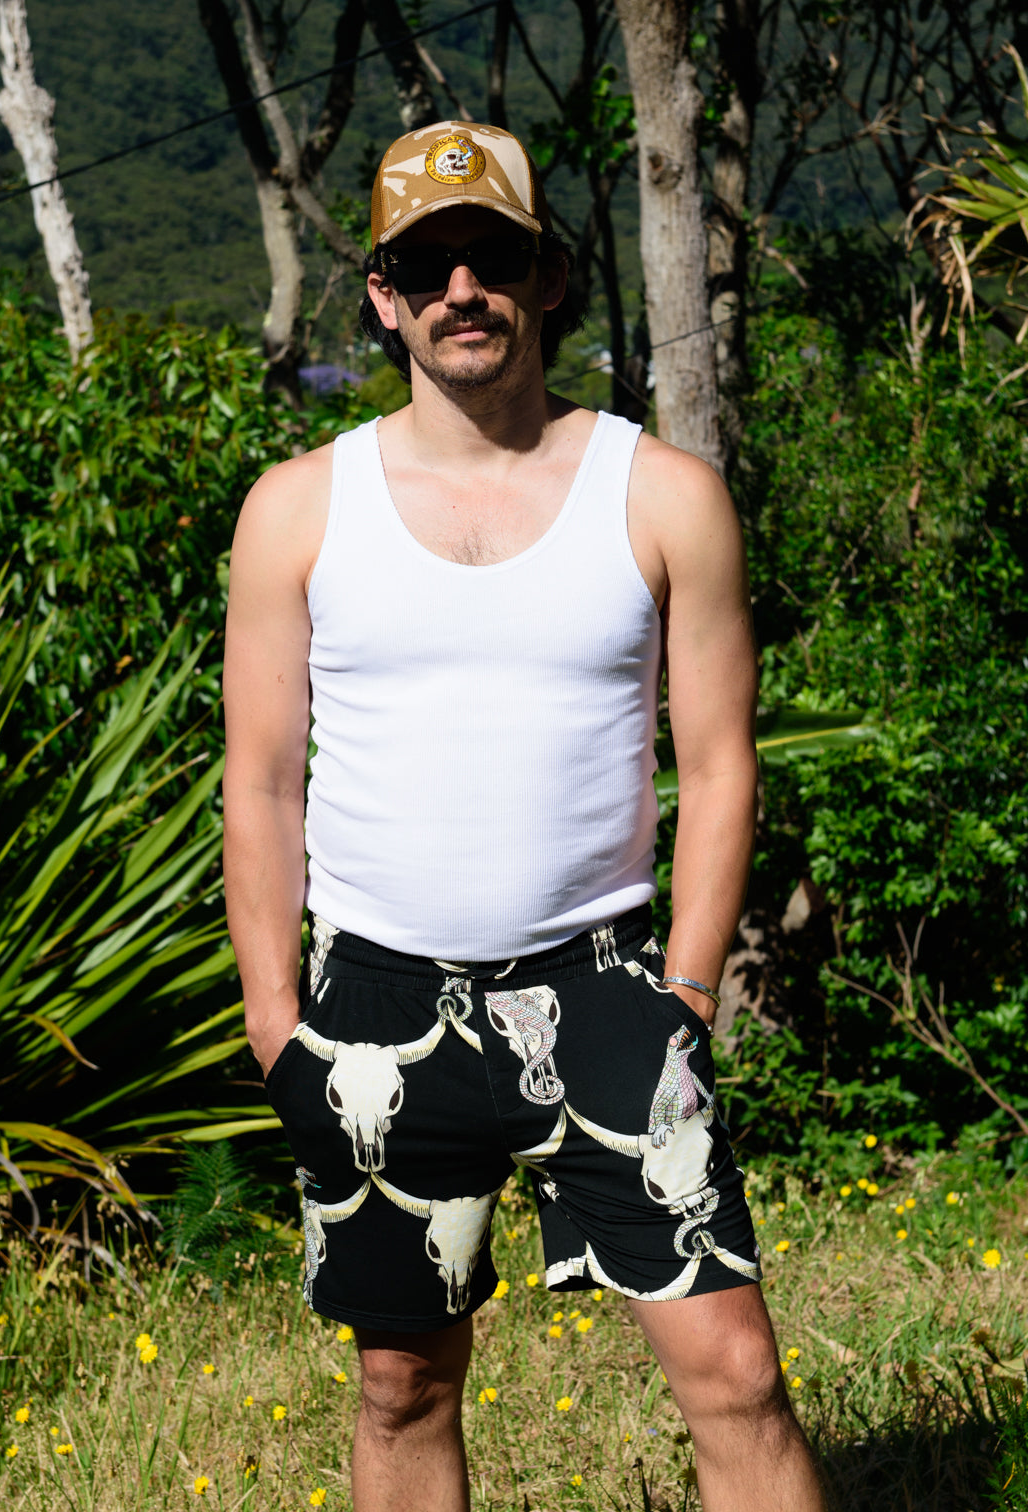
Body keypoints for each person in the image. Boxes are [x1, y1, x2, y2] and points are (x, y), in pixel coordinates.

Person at [222, 120, 826, 1512]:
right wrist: (276, 1019)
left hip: (605, 988)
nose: (462, 291)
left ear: (546, 278)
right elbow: (260, 780)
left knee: (735, 1370)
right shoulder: (299, 511)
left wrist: (684, 990)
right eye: (425, 266)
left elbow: (719, 766)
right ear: (382, 297)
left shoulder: (664, 496)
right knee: (401, 1385)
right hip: (374, 1002)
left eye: (490, 257)